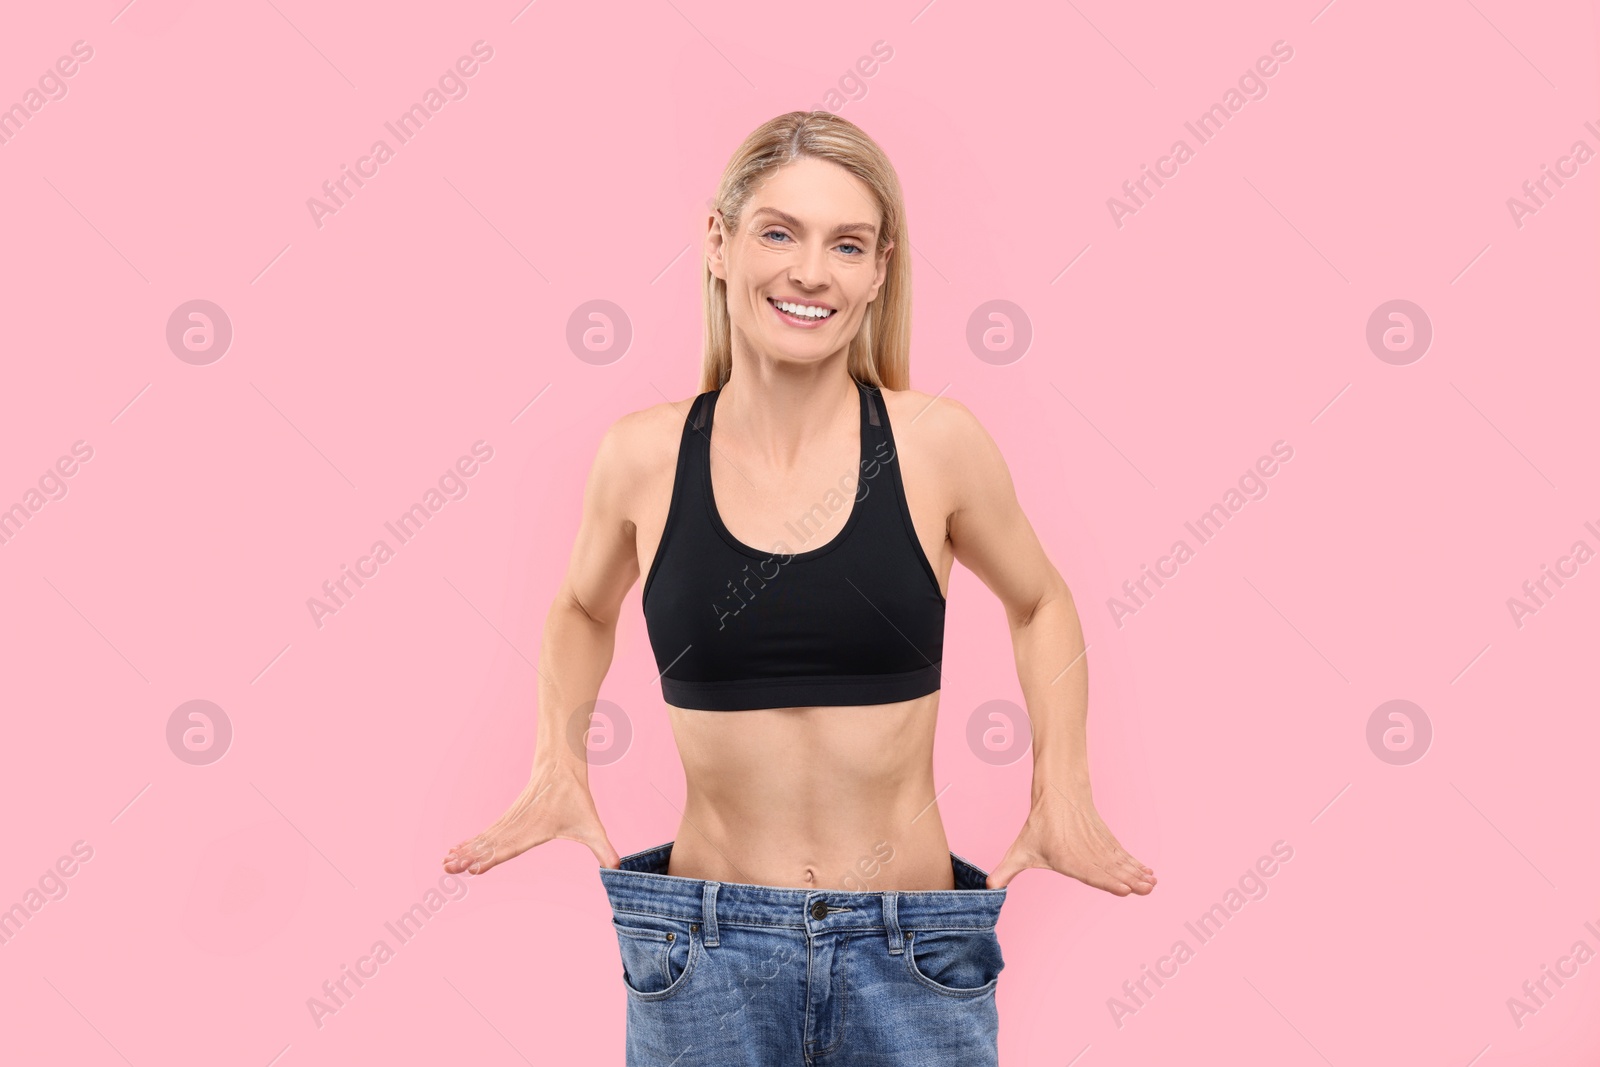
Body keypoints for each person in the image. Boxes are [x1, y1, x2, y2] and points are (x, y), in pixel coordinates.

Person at [443, 110, 1154, 1066]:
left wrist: (1061, 787)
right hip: (705, 956)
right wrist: (555, 764)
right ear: (719, 243)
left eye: (846, 244)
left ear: (878, 270)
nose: (811, 271)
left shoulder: (935, 443)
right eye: (779, 231)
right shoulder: (643, 458)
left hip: (909, 955)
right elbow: (580, 606)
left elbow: (1040, 600)